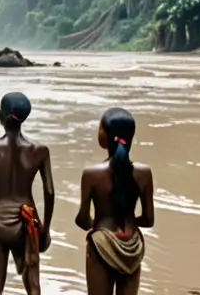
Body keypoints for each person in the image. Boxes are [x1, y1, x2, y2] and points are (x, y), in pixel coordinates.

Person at [0, 91, 55, 295]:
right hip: (27, 220)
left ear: (0, 116)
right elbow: (49, 192)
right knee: (33, 284)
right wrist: (45, 228)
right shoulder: (40, 151)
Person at [75, 107, 154, 295]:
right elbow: (149, 219)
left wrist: (98, 226)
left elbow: (82, 219)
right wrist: (129, 225)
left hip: (101, 244)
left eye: (100, 127)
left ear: (106, 137)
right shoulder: (144, 173)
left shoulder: (91, 174)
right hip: (132, 247)